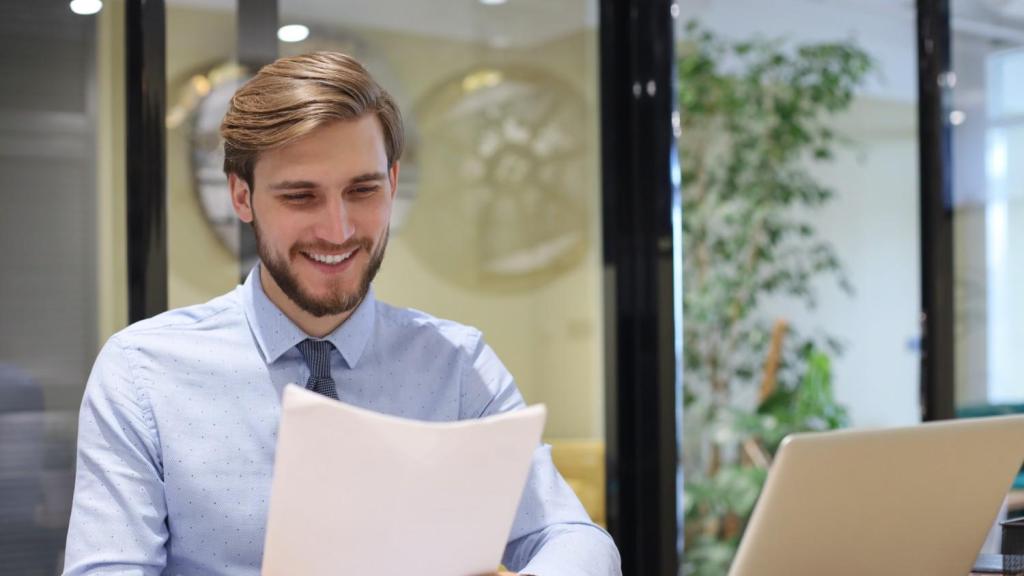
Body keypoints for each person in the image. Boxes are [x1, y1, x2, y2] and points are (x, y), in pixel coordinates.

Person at [62, 51, 621, 576]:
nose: (338, 229)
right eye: (301, 196)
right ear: (242, 196)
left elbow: (573, 536)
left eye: (362, 190)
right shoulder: (142, 374)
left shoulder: (457, 367)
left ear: (393, 183)